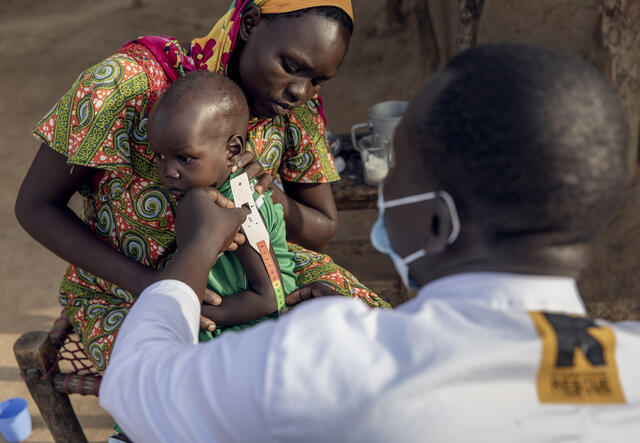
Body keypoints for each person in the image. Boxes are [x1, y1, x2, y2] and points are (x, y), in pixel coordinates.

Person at [100, 42, 640, 442]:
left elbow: (134, 381)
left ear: (435, 218)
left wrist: (195, 251)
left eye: (399, 173)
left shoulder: (326, 360)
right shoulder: (630, 370)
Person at [15, 0, 388, 372]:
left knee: (371, 345)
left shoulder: (295, 110)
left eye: (318, 80)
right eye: (291, 67)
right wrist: (155, 287)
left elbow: (321, 230)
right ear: (251, 23)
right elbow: (36, 206)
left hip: (259, 275)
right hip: (125, 291)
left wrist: (271, 195)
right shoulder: (127, 84)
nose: (300, 91)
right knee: (198, 387)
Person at [149, 70, 301, 335]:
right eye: (160, 157)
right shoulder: (200, 195)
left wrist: (191, 313)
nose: (168, 171)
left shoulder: (242, 205)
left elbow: (269, 297)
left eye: (184, 158)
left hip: (251, 328)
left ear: (232, 152)